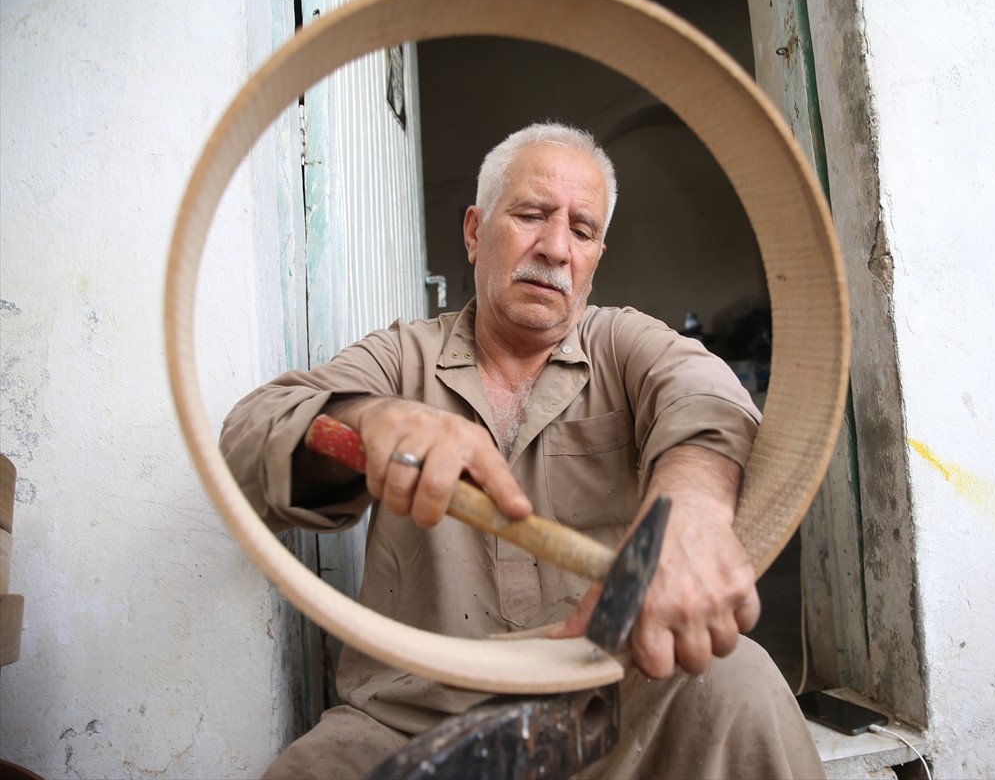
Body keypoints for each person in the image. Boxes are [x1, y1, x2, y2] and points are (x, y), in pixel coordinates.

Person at [221, 122, 825, 779]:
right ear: (476, 231)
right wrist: (369, 421)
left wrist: (689, 515)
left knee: (738, 677)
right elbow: (251, 436)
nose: (557, 248)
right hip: (409, 719)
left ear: (596, 258)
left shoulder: (624, 346)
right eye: (532, 214)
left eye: (582, 229)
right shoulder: (400, 359)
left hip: (607, 708)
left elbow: (708, 399)